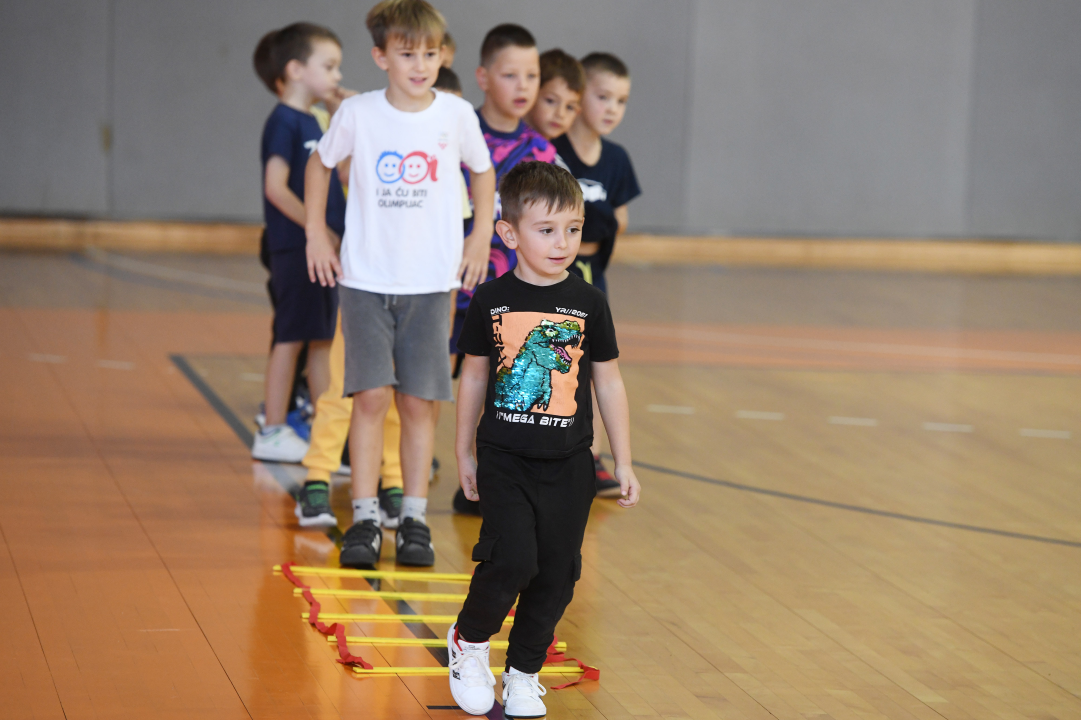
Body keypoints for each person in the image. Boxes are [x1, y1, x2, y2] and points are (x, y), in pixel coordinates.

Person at [304, 0, 496, 567]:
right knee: (368, 399)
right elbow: (320, 164)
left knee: (418, 405)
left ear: (443, 55)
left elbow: (482, 172)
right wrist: (318, 231)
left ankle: (412, 517)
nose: (419, 65)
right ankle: (365, 518)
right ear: (381, 56)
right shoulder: (359, 113)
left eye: (430, 54)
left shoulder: (456, 115)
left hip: (431, 285)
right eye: (406, 53)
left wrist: (480, 236)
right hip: (365, 281)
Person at [447, 162, 640, 717]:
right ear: (509, 234)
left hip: (570, 464)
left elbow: (607, 379)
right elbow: (476, 376)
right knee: (512, 560)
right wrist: (464, 451)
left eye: (574, 229)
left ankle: (525, 670)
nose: (564, 243)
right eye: (547, 230)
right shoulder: (491, 299)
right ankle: (470, 641)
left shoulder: (589, 302)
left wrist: (622, 460)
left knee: (557, 573)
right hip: (504, 459)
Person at [450, 23, 558, 517]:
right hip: (449, 289)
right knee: (429, 386)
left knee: (501, 389)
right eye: (509, 74)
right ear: (483, 77)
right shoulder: (454, 132)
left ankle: (485, 481)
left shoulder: (541, 152)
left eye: (531, 75)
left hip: (505, 298)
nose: (522, 86)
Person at [250, 23, 347, 463]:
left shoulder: (316, 119)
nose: (336, 75)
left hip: (321, 249)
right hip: (297, 248)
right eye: (328, 66)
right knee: (291, 337)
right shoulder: (284, 121)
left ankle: (324, 431)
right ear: (294, 70)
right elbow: (276, 187)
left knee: (322, 338)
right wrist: (315, 228)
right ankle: (272, 429)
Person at [551, 52, 640, 498]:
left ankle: (591, 458)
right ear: (580, 95)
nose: (611, 109)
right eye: (603, 97)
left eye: (620, 101)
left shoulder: (617, 158)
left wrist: (596, 220)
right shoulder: (554, 148)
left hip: (591, 274)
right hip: (555, 268)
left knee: (592, 363)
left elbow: (619, 219)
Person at [525, 49, 585, 141]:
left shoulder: (552, 154)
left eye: (569, 107)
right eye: (550, 101)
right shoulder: (504, 148)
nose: (560, 114)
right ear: (531, 94)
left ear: (577, 112)